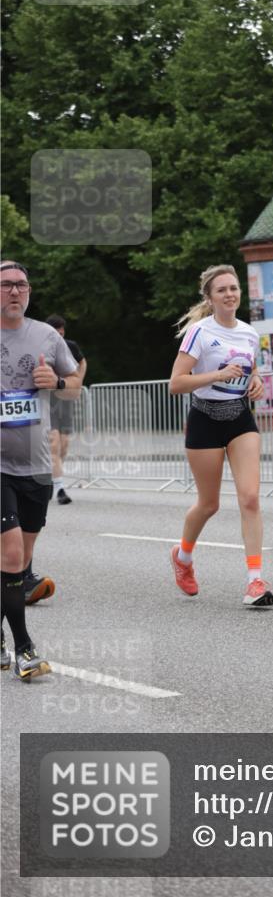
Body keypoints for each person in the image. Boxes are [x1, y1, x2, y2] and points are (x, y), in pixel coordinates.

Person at [168, 264, 273, 608]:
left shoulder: (247, 332)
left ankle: (255, 581)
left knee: (250, 498)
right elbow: (176, 383)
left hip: (240, 419)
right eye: (222, 290)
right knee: (209, 503)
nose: (230, 294)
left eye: (234, 288)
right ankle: (183, 557)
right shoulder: (200, 332)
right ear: (211, 298)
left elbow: (249, 369)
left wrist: (255, 381)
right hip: (204, 420)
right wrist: (216, 374)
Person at [1, 260, 80, 678]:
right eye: (6, 285)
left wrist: (58, 383)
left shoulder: (47, 336)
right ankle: (25, 649)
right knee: (12, 553)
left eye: (21, 285)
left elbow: (75, 386)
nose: (15, 291)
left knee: (17, 562)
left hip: (35, 466)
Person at [45, 314, 87, 505]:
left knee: (64, 444)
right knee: (54, 443)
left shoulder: (70, 345)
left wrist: (77, 383)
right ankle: (59, 488)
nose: (59, 334)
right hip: (47, 399)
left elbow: (82, 362)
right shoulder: (41, 347)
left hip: (66, 398)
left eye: (62, 331)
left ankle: (51, 474)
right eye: (56, 330)